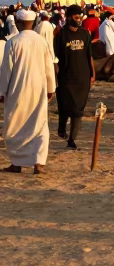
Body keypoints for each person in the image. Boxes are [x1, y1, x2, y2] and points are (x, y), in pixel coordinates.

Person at [0, 9, 56, 174]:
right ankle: (38, 163)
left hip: (17, 90)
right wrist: (51, 88)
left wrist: (2, 91)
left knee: (15, 125)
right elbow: (49, 67)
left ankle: (17, 163)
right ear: (33, 22)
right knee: (39, 125)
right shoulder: (42, 42)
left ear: (17, 23)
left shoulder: (13, 42)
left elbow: (6, 71)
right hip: (39, 90)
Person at [53, 5, 95, 148]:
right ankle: (61, 129)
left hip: (82, 78)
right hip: (66, 77)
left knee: (78, 110)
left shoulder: (85, 34)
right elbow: (54, 57)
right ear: (69, 17)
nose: (78, 20)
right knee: (65, 106)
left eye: (80, 18)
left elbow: (89, 56)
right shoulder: (60, 35)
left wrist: (92, 74)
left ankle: (72, 140)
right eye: (76, 18)